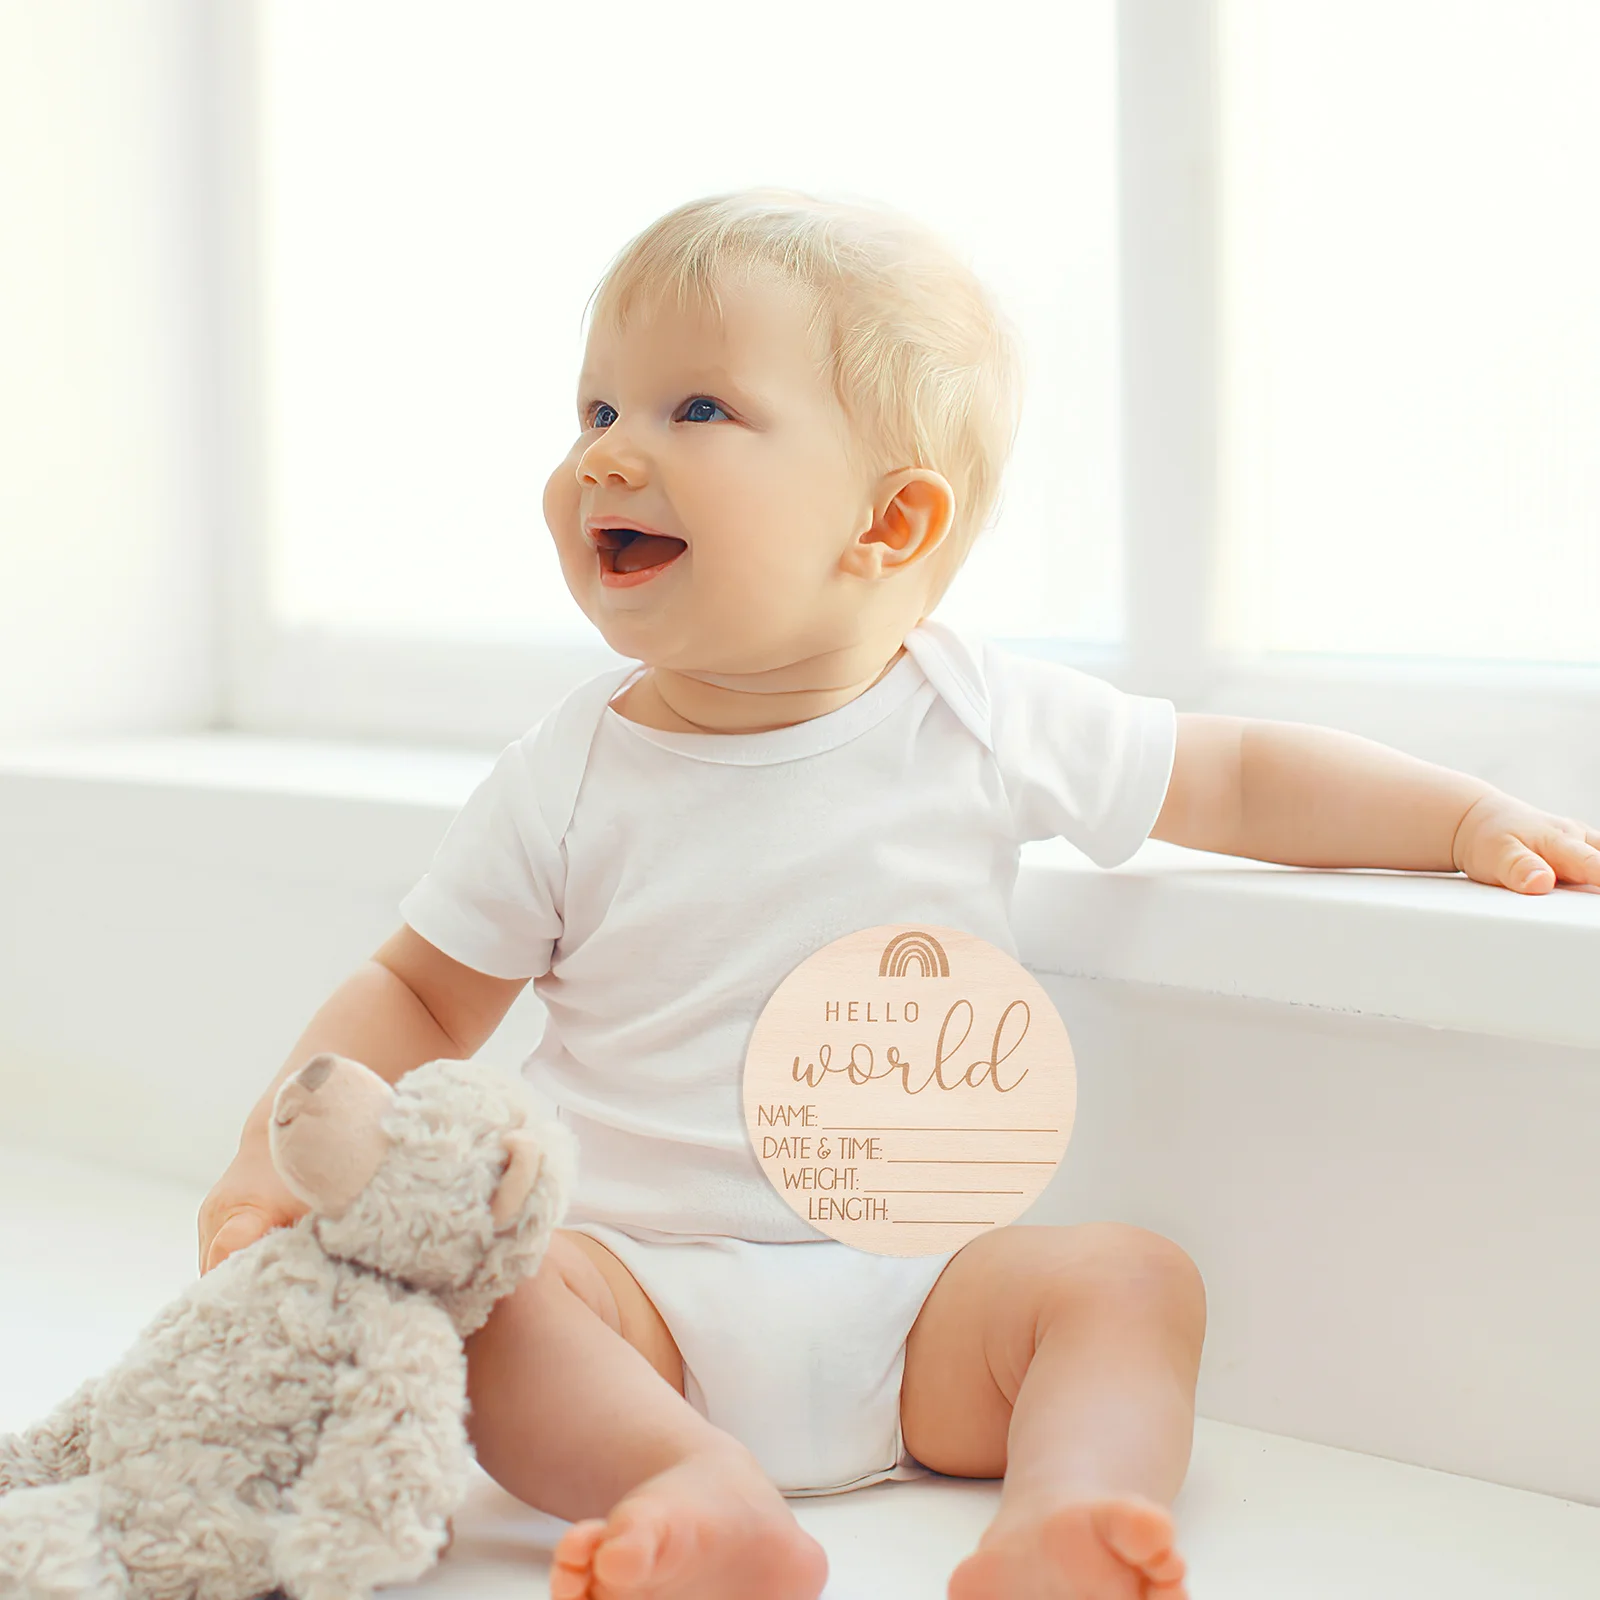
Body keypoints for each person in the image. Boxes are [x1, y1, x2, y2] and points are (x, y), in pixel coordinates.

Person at [197, 189, 1600, 1600]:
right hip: (632, 1304)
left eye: (694, 409)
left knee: (1131, 1280)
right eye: (594, 411)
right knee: (470, 1289)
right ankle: (692, 1490)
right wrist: (272, 1152)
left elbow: (1233, 778)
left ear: (890, 518)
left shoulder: (975, 715)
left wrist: (1464, 815)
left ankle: (1071, 1514)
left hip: (927, 1305)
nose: (609, 455)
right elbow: (420, 990)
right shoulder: (569, 771)